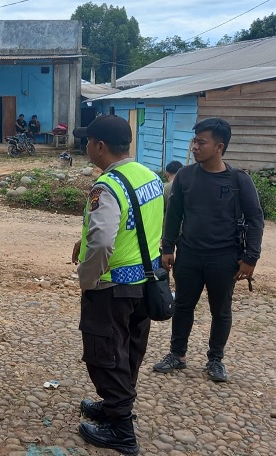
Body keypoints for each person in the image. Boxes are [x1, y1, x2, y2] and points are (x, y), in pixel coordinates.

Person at [71, 115, 164, 456]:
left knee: (105, 354)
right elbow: (141, 223)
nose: (85, 147)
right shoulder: (147, 175)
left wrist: (88, 279)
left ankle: (121, 430)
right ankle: (114, 408)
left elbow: (102, 241)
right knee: (129, 349)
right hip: (144, 282)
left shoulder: (106, 186)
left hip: (112, 286)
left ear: (100, 146)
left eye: (88, 141)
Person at [153, 117, 264, 383]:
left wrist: (251, 258)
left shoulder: (239, 180)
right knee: (182, 306)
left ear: (219, 146)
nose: (194, 147)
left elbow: (255, 219)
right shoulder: (185, 177)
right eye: (194, 141)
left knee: (221, 310)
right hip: (189, 255)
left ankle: (215, 359)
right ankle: (177, 354)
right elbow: (174, 214)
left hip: (224, 258)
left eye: (201, 142)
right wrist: (167, 247)